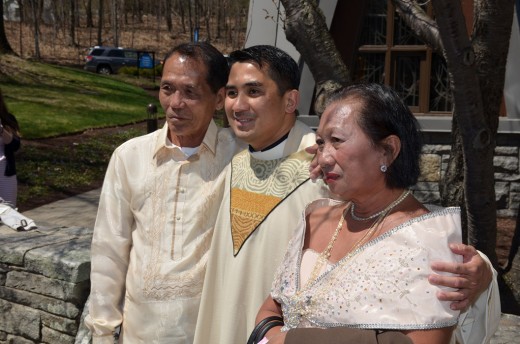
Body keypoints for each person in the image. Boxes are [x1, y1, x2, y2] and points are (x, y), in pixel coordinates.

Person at [193, 46, 498, 344]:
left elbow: (420, 252)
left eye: (254, 91)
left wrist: (482, 270)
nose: (238, 105)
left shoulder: (319, 170)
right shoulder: (235, 160)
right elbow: (274, 305)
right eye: (231, 93)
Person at [254, 83, 499, 344]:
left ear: (388, 150)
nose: (324, 158)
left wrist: (289, 341)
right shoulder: (316, 219)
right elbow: (270, 310)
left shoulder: (427, 240)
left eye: (336, 141)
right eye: (321, 143)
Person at [84, 42, 243, 343]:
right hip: (139, 332)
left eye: (190, 92)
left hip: (209, 332)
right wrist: (102, 331)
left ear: (219, 98)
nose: (175, 103)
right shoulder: (130, 157)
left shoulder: (240, 158)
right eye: (167, 88)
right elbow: (109, 249)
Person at [0, 89, 21, 207]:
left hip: (4, 175)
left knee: (9, 213)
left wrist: (2, 130)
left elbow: (15, 145)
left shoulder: (8, 119)